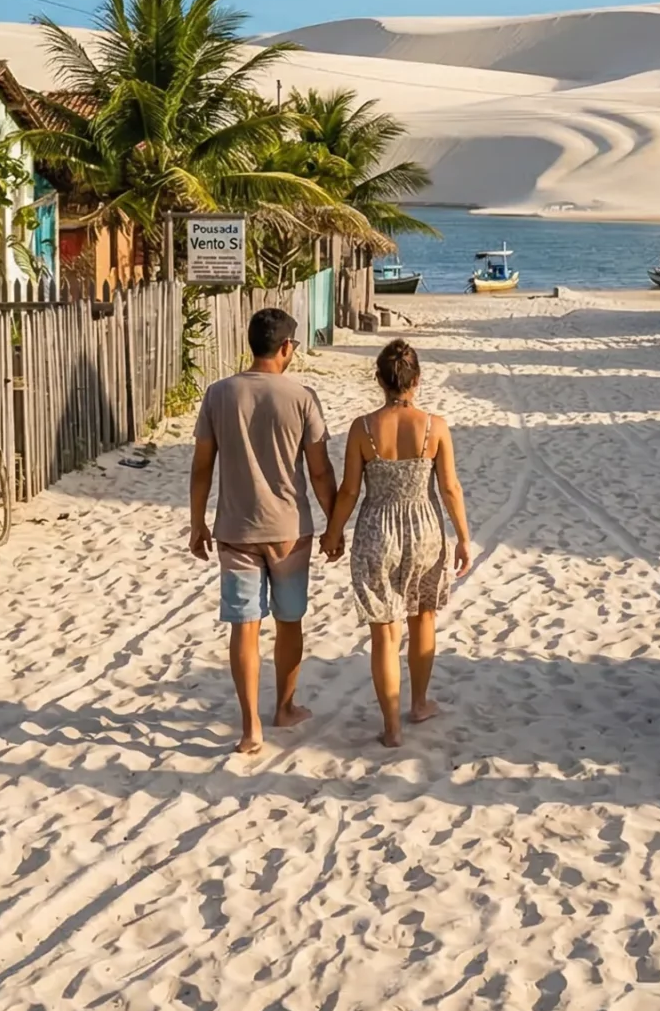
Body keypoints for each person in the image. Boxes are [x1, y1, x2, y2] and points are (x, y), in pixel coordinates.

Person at [190, 308, 338, 755]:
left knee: (244, 626)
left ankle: (250, 725)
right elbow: (319, 471)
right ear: (286, 347)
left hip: (235, 527)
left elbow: (202, 467)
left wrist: (197, 522)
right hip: (289, 530)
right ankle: (285, 707)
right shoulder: (302, 397)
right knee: (289, 621)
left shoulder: (219, 394)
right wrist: (334, 522)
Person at [324, 340, 473, 748]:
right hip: (424, 526)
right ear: (417, 380)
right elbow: (449, 487)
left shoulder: (363, 428)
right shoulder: (434, 426)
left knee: (384, 632)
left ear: (379, 380)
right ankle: (420, 703)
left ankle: (391, 728)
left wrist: (333, 533)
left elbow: (351, 490)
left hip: (377, 530)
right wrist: (462, 536)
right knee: (423, 617)